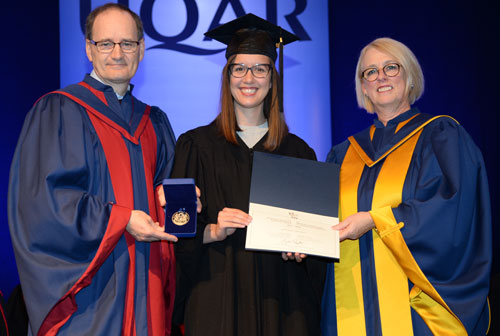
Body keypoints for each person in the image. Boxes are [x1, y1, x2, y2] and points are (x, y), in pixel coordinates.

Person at [8, 3, 189, 335]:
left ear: (142, 49)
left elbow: (167, 188)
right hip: (91, 292)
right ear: (89, 49)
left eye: (128, 43)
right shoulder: (60, 112)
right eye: (106, 43)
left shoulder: (155, 122)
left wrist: (177, 201)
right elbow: (42, 204)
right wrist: (121, 219)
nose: (117, 53)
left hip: (145, 285)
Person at [321, 37, 491, 335]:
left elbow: (453, 211)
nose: (381, 77)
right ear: (363, 87)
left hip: (416, 311)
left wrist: (375, 219)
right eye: (370, 72)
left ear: (409, 76)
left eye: (391, 67)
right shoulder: (342, 154)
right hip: (349, 307)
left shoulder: (441, 136)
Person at [171, 13, 326, 336]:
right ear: (227, 77)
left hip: (283, 302)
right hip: (217, 296)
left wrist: (303, 248)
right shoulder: (194, 146)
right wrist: (213, 230)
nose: (249, 78)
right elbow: (177, 230)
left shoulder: (299, 153)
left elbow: (316, 245)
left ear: (272, 78)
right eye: (239, 68)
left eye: (260, 68)